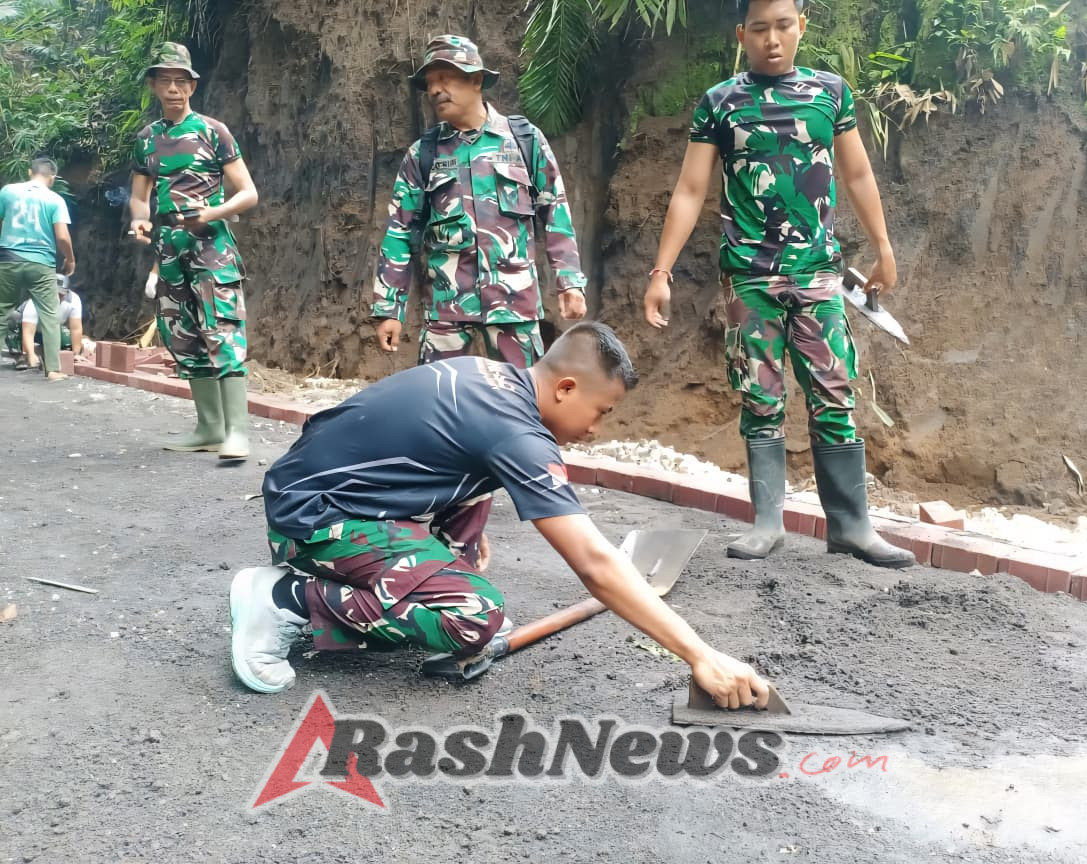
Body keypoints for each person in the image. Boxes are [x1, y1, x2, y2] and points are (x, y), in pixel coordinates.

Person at [230, 322, 773, 710]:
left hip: (316, 495)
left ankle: (348, 589)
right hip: (315, 518)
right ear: (565, 388)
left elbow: (446, 452)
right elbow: (592, 562)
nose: (596, 429)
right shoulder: (517, 433)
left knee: (458, 576)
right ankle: (287, 601)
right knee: (472, 616)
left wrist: (463, 535)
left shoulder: (492, 379)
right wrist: (699, 654)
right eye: (601, 411)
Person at [642, 0, 914, 569]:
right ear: (743, 35)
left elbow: (858, 172)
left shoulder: (830, 93)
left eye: (783, 26)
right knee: (759, 396)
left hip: (819, 274)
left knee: (833, 392)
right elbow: (690, 190)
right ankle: (768, 522)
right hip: (749, 277)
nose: (772, 39)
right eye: (760, 28)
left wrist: (884, 248)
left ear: (801, 28)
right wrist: (660, 273)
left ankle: (851, 526)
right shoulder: (721, 103)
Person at [372, 35, 587, 369]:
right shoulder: (423, 154)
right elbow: (400, 231)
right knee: (438, 406)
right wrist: (389, 308)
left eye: (445, 78)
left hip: (514, 309)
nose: (435, 90)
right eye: (430, 82)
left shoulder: (523, 140)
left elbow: (555, 211)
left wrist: (569, 282)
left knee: (519, 406)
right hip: (446, 313)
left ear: (475, 80)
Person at [128, 42, 260, 459]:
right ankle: (209, 427)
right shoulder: (146, 139)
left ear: (193, 86)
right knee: (183, 336)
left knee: (222, 331)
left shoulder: (212, 131)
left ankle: (237, 431)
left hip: (212, 248)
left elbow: (249, 193)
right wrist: (139, 220)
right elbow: (138, 196)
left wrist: (213, 212)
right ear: (153, 85)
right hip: (169, 249)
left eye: (180, 80)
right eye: (165, 80)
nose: (173, 88)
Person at [0, 157, 75, 381]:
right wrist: (70, 259)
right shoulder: (55, 199)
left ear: (29, 171)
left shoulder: (7, 191)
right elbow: (62, 236)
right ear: (52, 177)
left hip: (8, 258)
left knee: (1, 311)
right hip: (41, 263)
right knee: (50, 314)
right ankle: (53, 369)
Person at [4, 275, 89, 370]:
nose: (56, 298)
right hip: (24, 328)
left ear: (66, 293)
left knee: (68, 344)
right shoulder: (35, 301)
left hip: (49, 329)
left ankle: (40, 351)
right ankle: (22, 354)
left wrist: (75, 354)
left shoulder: (74, 300)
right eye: (53, 293)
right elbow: (28, 332)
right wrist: (30, 355)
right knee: (14, 322)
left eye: (60, 294)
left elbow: (76, 328)